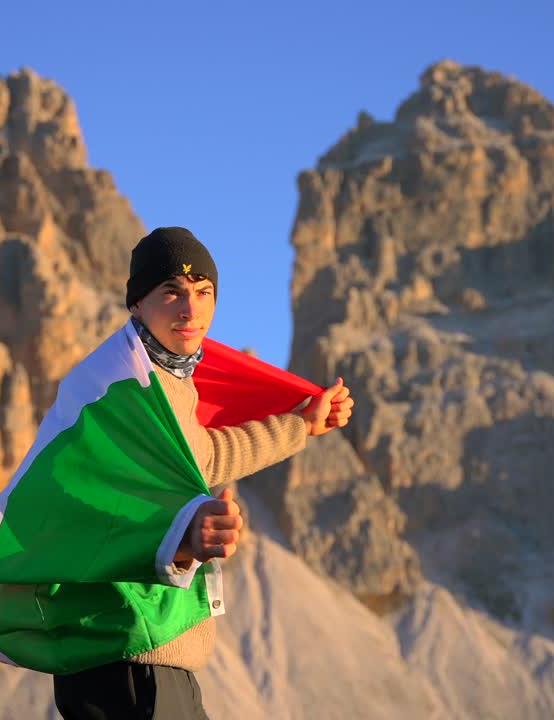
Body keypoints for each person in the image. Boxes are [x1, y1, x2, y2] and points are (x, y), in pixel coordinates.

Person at [43, 226, 353, 718]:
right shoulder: (116, 390)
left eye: (203, 292)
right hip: (124, 664)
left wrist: (301, 426)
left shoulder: (167, 380)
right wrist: (183, 536)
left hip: (151, 659)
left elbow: (204, 459)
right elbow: (89, 508)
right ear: (137, 303)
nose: (191, 310)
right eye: (172, 292)